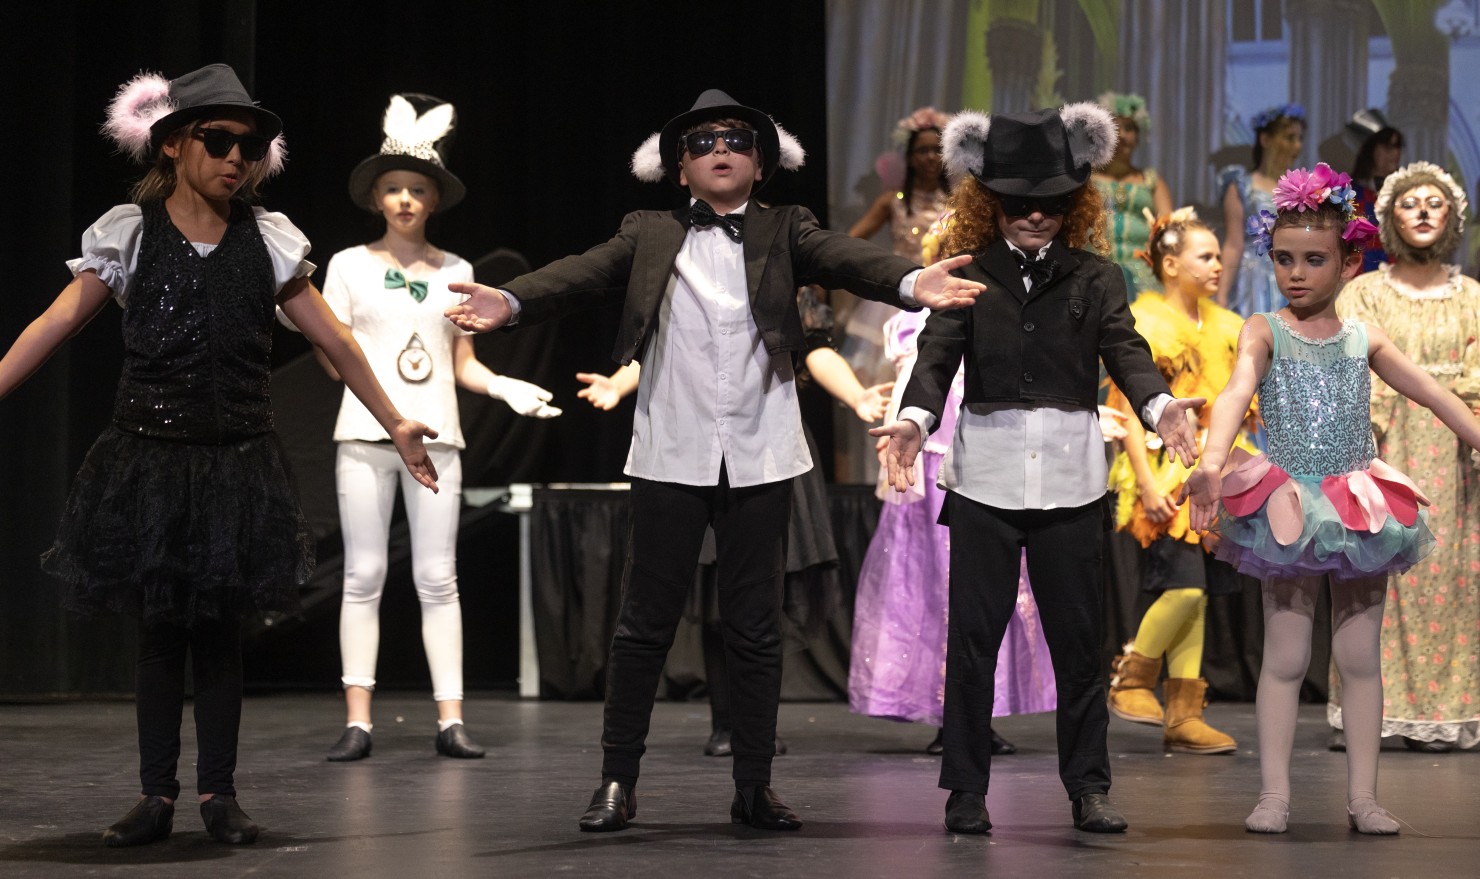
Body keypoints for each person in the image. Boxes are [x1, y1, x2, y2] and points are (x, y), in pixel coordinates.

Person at [444, 89, 984, 833]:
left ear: (760, 164)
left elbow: (845, 257)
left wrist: (908, 281)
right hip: (671, 448)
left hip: (762, 451)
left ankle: (753, 785)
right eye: (702, 142)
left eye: (736, 139)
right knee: (644, 622)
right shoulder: (649, 231)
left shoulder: (787, 227)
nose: (720, 148)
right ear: (680, 170)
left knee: (755, 626)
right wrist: (510, 301)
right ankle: (617, 780)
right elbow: (578, 272)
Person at [0, 65, 438, 847]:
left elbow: (337, 340)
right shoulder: (131, 233)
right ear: (174, 144)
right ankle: (155, 793)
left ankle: (219, 793)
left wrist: (397, 420)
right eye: (220, 140)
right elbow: (56, 322)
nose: (238, 157)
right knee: (161, 631)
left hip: (236, 461)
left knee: (220, 635)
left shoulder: (267, 240)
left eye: (252, 146)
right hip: (150, 459)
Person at [874, 103, 1204, 835]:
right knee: (973, 645)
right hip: (985, 483)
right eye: (1020, 202)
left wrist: (1160, 408)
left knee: (1080, 645)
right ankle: (965, 791)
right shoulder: (968, 275)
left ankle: (1089, 788)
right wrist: (914, 420)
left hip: (1068, 484)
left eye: (1050, 204)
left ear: (1071, 205)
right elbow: (935, 359)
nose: (1035, 216)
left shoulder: (1096, 277)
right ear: (992, 202)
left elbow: (1126, 351)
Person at [1182, 163, 1480, 834]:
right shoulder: (1263, 329)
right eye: (1284, 259)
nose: (1296, 273)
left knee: (1359, 660)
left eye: (1314, 259)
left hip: (1357, 507)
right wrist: (1211, 461)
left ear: (1350, 262)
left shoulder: (1364, 338)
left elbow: (1438, 397)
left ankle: (1364, 797)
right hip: (1289, 507)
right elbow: (1237, 391)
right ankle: (1274, 795)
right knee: (1286, 657)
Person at [314, 94, 560, 764]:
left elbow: (463, 363)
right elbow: (335, 360)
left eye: (417, 189)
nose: (404, 199)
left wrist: (503, 385)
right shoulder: (348, 266)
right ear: (376, 197)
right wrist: (315, 334)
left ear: (434, 200)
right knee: (363, 572)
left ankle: (451, 719)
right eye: (393, 188)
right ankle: (358, 720)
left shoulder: (456, 271)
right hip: (365, 433)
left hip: (438, 436)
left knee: (437, 576)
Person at [576, 284, 890, 758]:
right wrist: (616, 385)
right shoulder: (690, 280)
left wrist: (858, 395)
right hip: (699, 442)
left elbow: (816, 350)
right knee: (714, 588)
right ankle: (724, 723)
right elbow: (660, 350)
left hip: (770, 443)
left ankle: (755, 726)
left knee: (763, 590)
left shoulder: (787, 282)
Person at [849, 214, 1056, 755]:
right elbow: (913, 381)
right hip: (930, 473)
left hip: (984, 465)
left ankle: (976, 712)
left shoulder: (997, 309)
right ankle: (950, 715)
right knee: (936, 590)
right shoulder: (914, 320)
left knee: (988, 589)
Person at [1329, 161, 1480, 753]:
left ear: (1452, 217)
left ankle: (1440, 713)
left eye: (1435, 202)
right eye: (1409, 202)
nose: (1423, 211)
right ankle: (1370, 710)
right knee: (1376, 572)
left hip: (1453, 455)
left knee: (1448, 574)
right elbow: (1350, 371)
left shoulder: (1475, 298)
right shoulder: (1364, 293)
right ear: (1390, 217)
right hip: (1383, 446)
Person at [1103, 208, 1250, 755]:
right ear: (1170, 265)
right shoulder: (1147, 322)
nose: (1216, 265)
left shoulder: (1223, 326)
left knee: (1199, 594)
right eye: (1204, 256)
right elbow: (1127, 407)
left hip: (1210, 471)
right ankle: (1131, 678)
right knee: (1184, 586)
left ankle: (1184, 715)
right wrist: (1145, 484)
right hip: (1164, 472)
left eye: (1217, 257)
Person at [840, 107, 953, 481]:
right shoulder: (892, 199)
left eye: (937, 150)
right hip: (897, 300)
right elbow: (851, 242)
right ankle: (881, 472)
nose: (930, 157)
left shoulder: (958, 201)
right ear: (910, 156)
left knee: (938, 383)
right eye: (922, 150)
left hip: (942, 298)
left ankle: (933, 469)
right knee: (886, 386)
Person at [1219, 104, 1306, 317]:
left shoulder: (1303, 188)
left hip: (1291, 275)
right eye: (1289, 138)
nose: (1297, 146)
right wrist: (1221, 296)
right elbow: (1233, 244)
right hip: (1253, 282)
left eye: (1299, 138)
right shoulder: (1242, 186)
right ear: (1265, 140)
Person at [1090, 92, 1172, 300]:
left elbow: (1168, 230)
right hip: (1093, 271)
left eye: (1129, 128)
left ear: (1137, 136)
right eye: (1115, 128)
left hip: (1143, 277)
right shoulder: (1086, 178)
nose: (1122, 135)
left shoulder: (1151, 181)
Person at [1344, 109, 1402, 274]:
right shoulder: (1348, 195)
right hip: (1358, 278)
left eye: (1397, 146)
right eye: (1388, 146)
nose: (1395, 153)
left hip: (1396, 278)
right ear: (1370, 150)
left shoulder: (1404, 195)